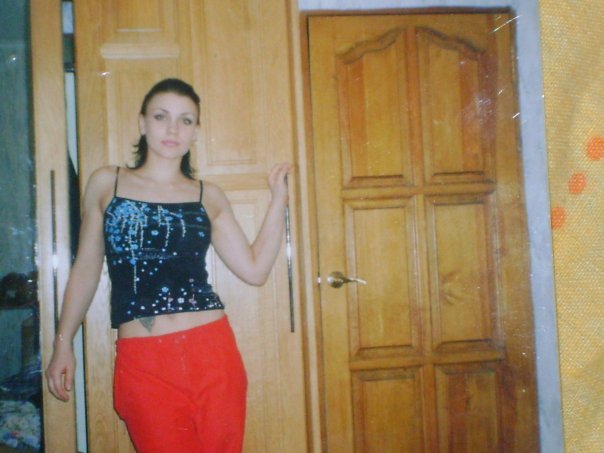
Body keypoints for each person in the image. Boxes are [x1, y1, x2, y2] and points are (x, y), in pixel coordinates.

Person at [45, 78, 291, 452]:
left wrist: (278, 201)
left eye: (185, 120)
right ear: (142, 123)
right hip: (143, 362)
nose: (173, 129)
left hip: (213, 353)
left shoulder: (208, 196)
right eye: (161, 117)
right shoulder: (107, 183)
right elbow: (86, 269)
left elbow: (255, 270)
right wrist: (63, 342)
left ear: (196, 131)